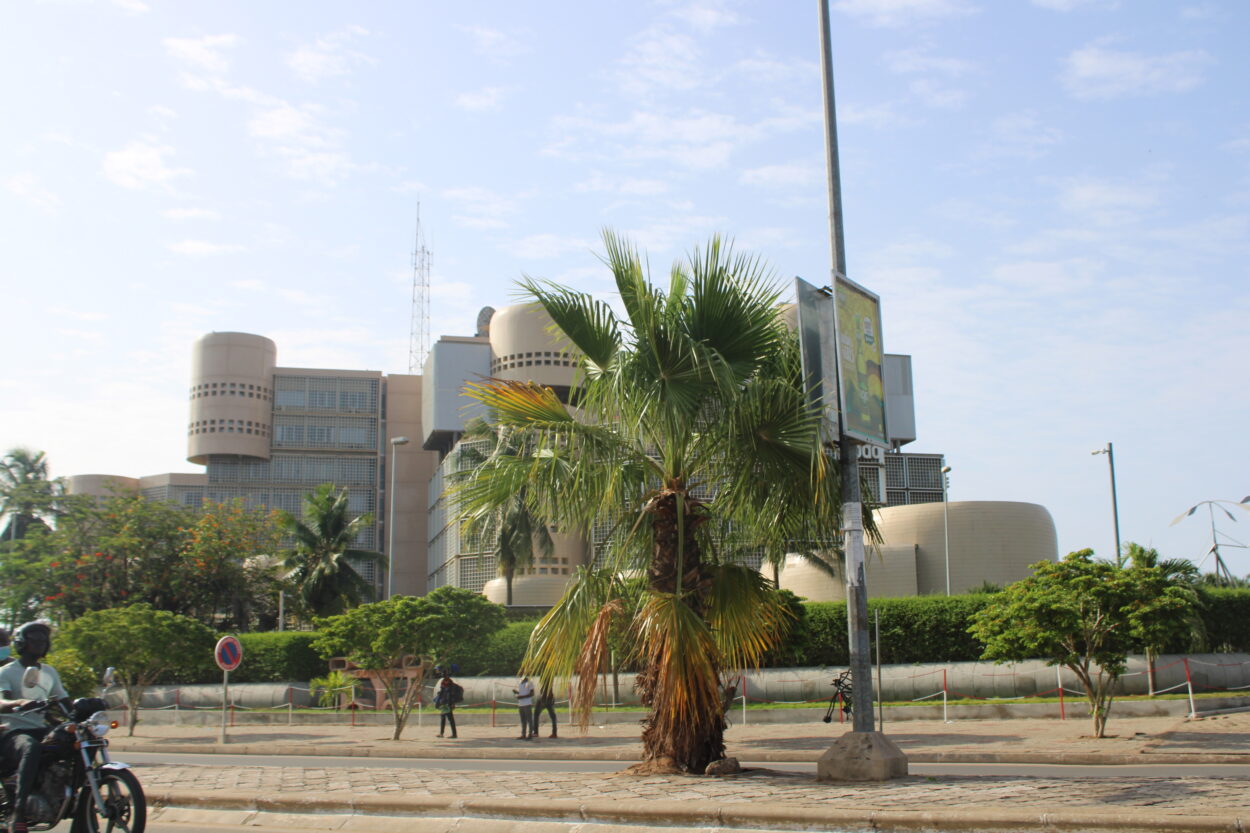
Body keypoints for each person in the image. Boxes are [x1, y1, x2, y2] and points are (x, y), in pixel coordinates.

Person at [0, 621, 68, 833]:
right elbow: (2, 701)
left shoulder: (49, 672)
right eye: (34, 639)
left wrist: (87, 707)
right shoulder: (7, 671)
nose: (39, 643)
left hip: (41, 728)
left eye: (43, 640)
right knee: (31, 747)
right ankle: (18, 812)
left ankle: (83, 806)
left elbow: (64, 700)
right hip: (14, 731)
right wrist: (18, 703)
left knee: (78, 741)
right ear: (21, 643)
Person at [514, 675, 534, 740]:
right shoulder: (519, 682)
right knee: (523, 720)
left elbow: (532, 693)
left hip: (527, 703)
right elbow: (520, 692)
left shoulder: (529, 682)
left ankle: (530, 734)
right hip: (521, 704)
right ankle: (523, 734)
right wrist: (516, 693)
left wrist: (522, 697)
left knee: (529, 720)